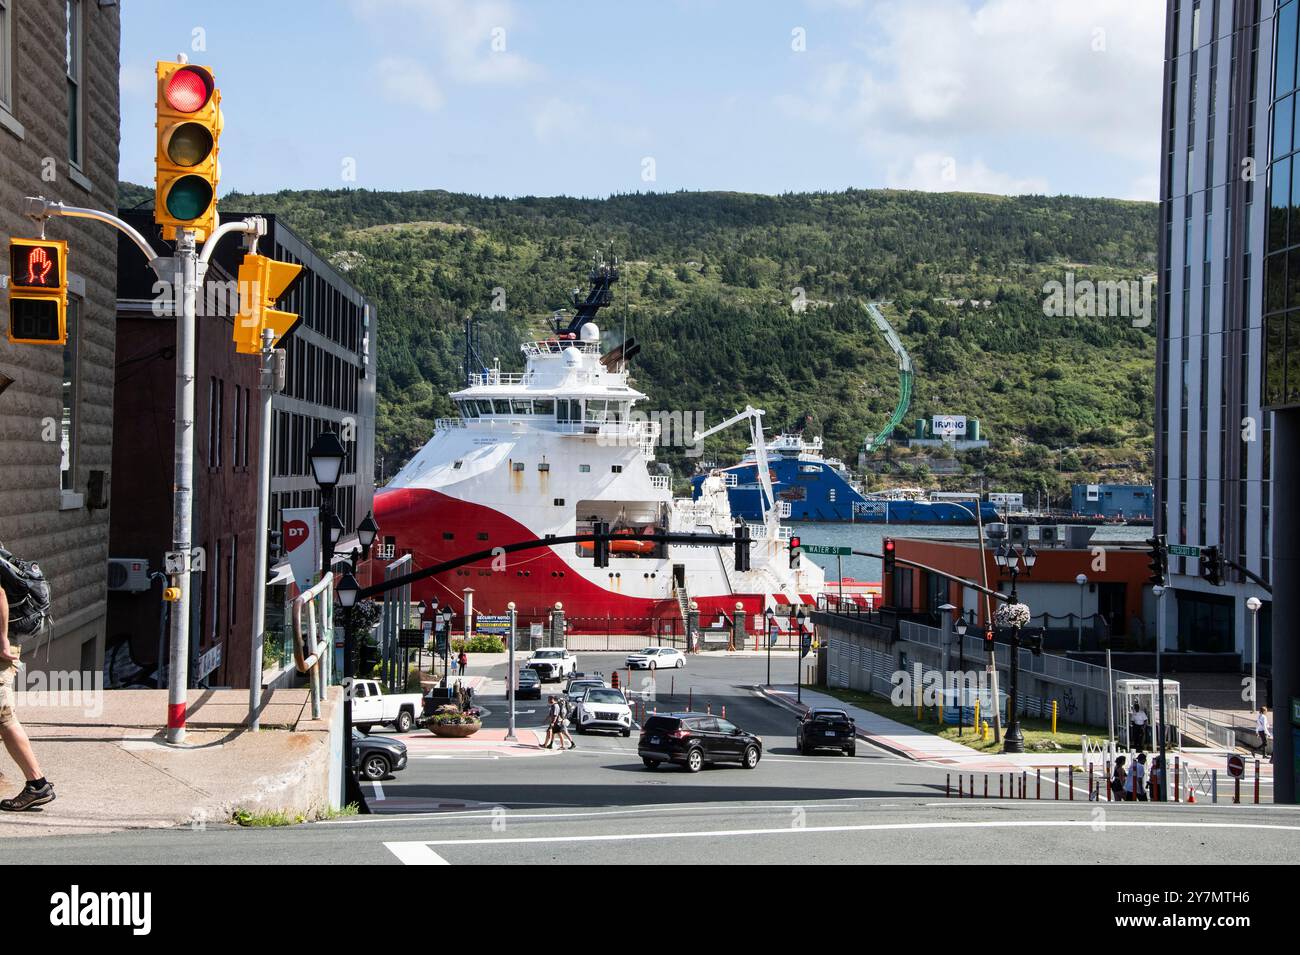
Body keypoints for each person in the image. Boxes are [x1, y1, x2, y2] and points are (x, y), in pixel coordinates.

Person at [0, 588, 55, 811]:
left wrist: (2, 641)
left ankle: (37, 784)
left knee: (3, 717)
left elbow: (0, 595)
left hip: (2, 648)